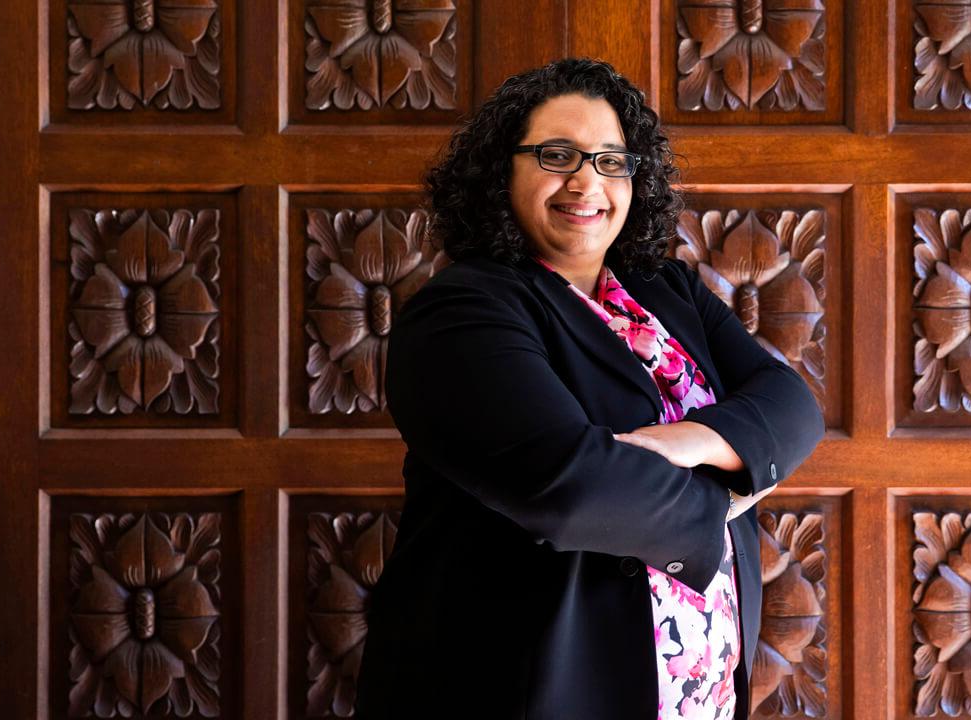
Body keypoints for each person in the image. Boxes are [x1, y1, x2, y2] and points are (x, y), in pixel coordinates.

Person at [353, 58, 825, 720]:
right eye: (557, 155)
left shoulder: (666, 290)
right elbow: (570, 488)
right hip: (528, 687)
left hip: (696, 695)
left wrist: (696, 440)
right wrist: (730, 492)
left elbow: (792, 403)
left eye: (611, 161)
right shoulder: (461, 314)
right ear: (501, 171)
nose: (586, 181)